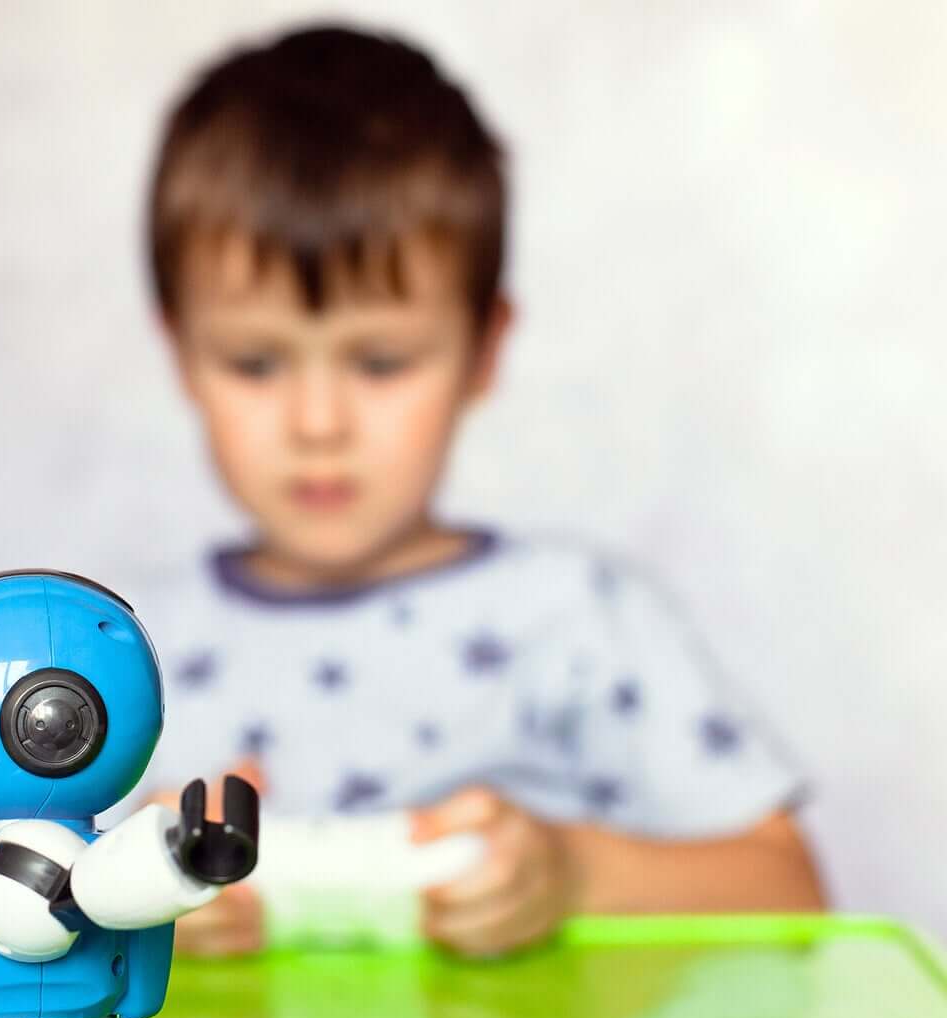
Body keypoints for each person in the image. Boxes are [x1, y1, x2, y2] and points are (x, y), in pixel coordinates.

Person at [115, 24, 825, 959]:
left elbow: (792, 893)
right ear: (179, 352)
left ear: (485, 349)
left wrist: (575, 876)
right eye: (254, 362)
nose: (318, 422)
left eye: (381, 361)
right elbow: (15, 930)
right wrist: (134, 893)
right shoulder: (122, 655)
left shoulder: (576, 619)